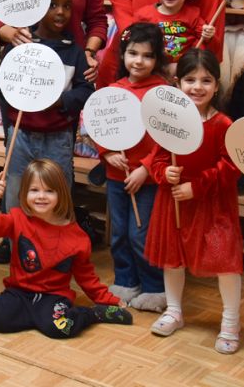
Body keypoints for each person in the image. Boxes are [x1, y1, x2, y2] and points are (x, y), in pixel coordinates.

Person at [0, 159, 132, 339]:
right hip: (19, 292)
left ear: (61, 194)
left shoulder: (77, 237)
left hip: (54, 296)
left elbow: (87, 277)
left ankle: (94, 314)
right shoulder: (17, 218)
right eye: (34, 190)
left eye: (49, 191)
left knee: (61, 328)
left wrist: (108, 300)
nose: (41, 196)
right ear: (24, 193)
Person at [0, 0, 94, 264]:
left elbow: (86, 90)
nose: (60, 12)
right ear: (38, 7)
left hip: (58, 138)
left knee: (57, 193)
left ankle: (54, 251)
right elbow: (2, 86)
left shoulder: (74, 51)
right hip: (22, 135)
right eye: (51, 5)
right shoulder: (21, 46)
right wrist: (21, 98)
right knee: (15, 192)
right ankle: (15, 249)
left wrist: (60, 99)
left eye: (66, 6)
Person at [146, 49, 243, 354]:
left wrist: (196, 186)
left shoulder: (225, 124)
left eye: (206, 80)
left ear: (217, 85)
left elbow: (231, 167)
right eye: (190, 79)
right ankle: (174, 310)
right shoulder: (168, 121)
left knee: (225, 261)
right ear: (178, 83)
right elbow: (156, 158)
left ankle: (230, 321)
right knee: (173, 258)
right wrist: (165, 172)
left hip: (213, 205)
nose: (197, 87)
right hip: (175, 201)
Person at [99, 22, 169, 312]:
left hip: (147, 179)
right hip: (117, 176)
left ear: (157, 59)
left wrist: (146, 168)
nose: (139, 61)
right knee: (119, 233)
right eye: (133, 53)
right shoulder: (114, 90)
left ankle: (154, 287)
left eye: (147, 55)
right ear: (123, 55)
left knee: (141, 234)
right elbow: (99, 126)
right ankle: (126, 281)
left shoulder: (163, 91)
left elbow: (168, 138)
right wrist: (106, 153)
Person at [133, 0, 215, 76]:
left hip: (183, 71)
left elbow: (202, 40)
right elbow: (134, 43)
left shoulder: (193, 15)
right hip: (151, 70)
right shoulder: (143, 15)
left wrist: (208, 35)